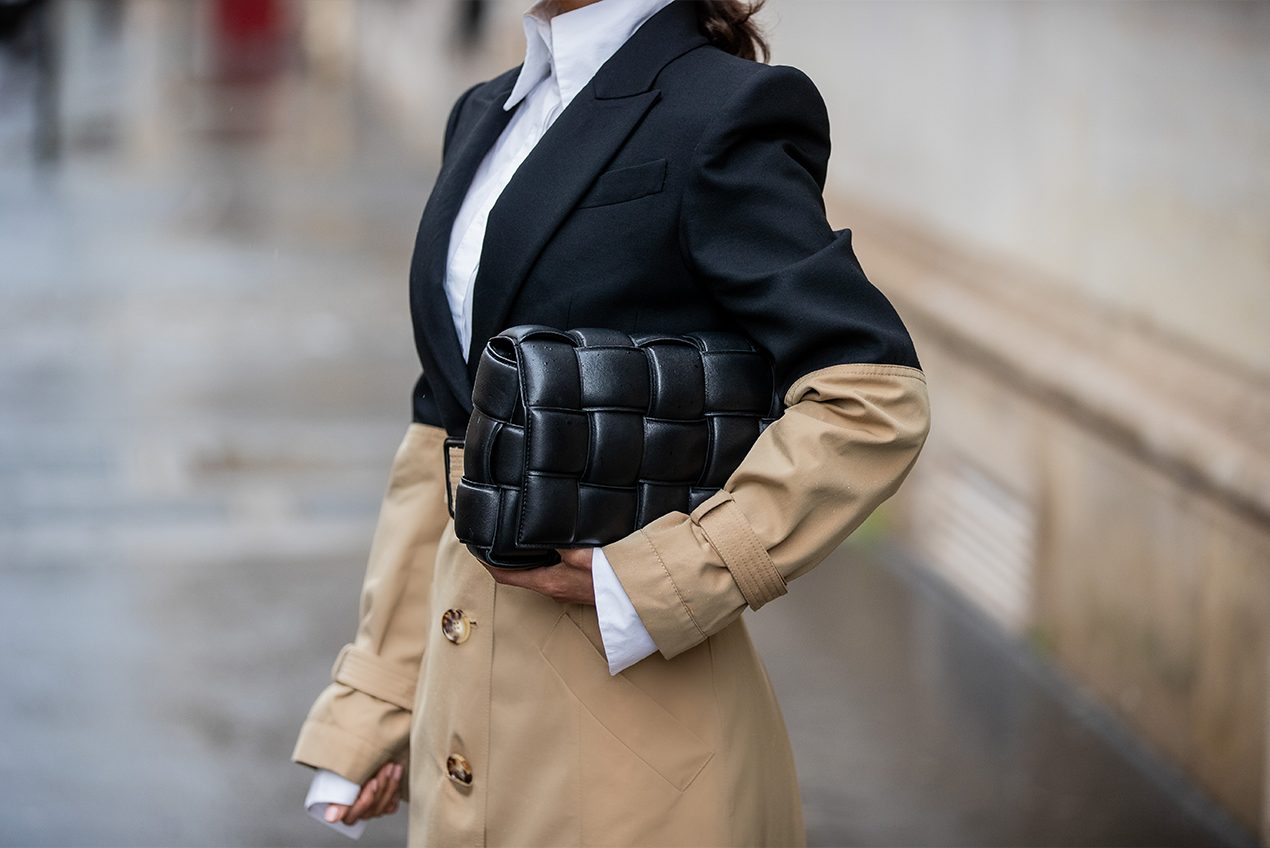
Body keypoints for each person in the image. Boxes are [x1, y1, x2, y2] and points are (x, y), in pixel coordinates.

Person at [291, 0, 932, 844]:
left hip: (641, 765)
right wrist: (378, 700)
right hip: (464, 737)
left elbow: (871, 395)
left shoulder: (720, 110)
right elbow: (442, 441)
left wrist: (666, 577)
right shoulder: (485, 114)